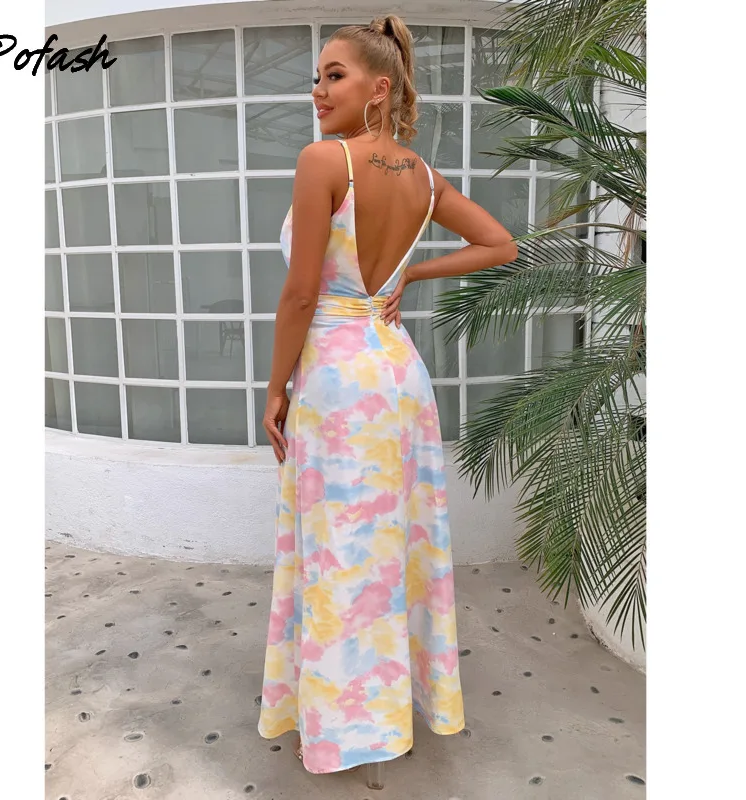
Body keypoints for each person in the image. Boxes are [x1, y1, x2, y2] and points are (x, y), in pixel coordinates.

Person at [256, 14, 518, 778]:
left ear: (379, 87)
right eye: (316, 77)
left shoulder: (323, 161)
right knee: (392, 546)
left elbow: (301, 293)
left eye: (334, 75)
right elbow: (500, 243)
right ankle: (386, 713)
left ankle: (339, 729)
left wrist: (274, 387)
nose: (318, 90)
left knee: (339, 551)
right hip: (397, 376)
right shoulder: (421, 176)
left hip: (339, 380)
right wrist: (409, 275)